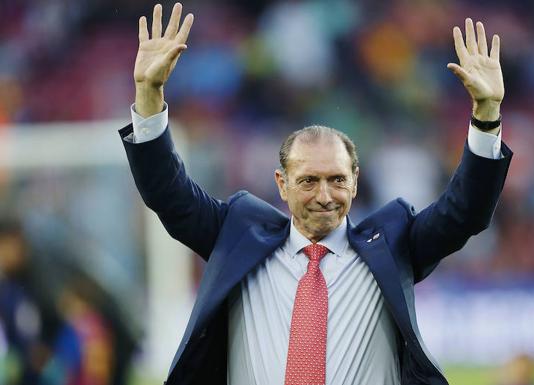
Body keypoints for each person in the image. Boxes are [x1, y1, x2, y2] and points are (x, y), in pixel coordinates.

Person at [119, 3, 512, 385]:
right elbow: (168, 194)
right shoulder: (237, 235)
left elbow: (466, 212)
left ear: (355, 182)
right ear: (281, 183)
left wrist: (487, 114)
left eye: (337, 180)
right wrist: (149, 96)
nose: (324, 194)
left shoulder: (393, 244)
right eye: (308, 181)